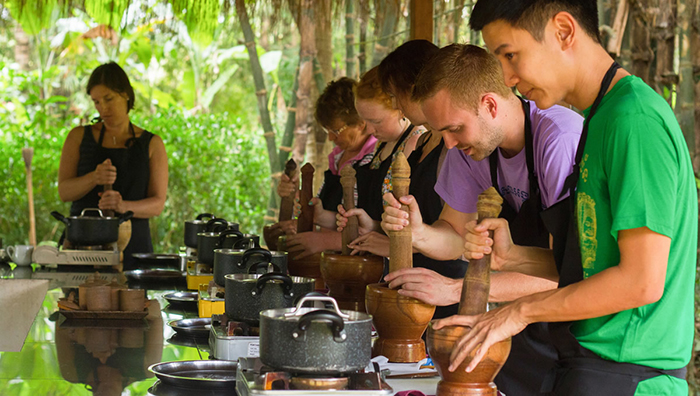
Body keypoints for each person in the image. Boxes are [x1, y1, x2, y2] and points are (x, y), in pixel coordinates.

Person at [434, 2, 696, 395]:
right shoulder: (603, 117)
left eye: (510, 55)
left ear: (563, 31)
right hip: (587, 364)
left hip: (629, 375)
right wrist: (515, 255)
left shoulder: (633, 120)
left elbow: (641, 282)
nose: (507, 77)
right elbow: (594, 264)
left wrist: (518, 311)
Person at [381, 43, 583, 395]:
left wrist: (455, 289)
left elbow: (568, 272)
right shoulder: (469, 149)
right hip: (515, 326)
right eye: (440, 129)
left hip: (579, 330)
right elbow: (455, 235)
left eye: (455, 128)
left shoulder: (559, 141)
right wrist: (419, 233)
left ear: (490, 104)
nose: (448, 142)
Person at [58, 62, 168, 270]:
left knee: (133, 302)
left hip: (134, 251)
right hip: (83, 248)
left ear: (126, 94)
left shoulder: (152, 144)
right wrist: (94, 178)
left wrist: (122, 206)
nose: (103, 108)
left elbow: (157, 204)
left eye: (108, 99)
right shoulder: (78, 137)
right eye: (96, 102)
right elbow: (64, 191)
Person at [276, 77, 377, 259]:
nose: (331, 138)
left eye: (336, 131)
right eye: (327, 131)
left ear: (361, 122)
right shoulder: (338, 157)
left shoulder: (376, 159)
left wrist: (323, 240)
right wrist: (316, 215)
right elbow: (333, 219)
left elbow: (377, 231)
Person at [334, 66, 424, 259]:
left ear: (400, 108)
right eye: (364, 120)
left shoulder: (417, 143)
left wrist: (389, 243)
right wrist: (370, 224)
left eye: (375, 121)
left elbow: (424, 228)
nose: (368, 129)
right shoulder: (381, 146)